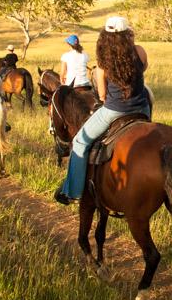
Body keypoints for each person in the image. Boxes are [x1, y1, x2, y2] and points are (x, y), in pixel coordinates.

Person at [54, 17, 151, 205]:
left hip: (114, 110)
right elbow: (143, 69)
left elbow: (103, 94)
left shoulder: (103, 62)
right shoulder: (140, 51)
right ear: (128, 33)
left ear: (106, 36)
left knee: (80, 141)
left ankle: (73, 192)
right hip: (142, 108)